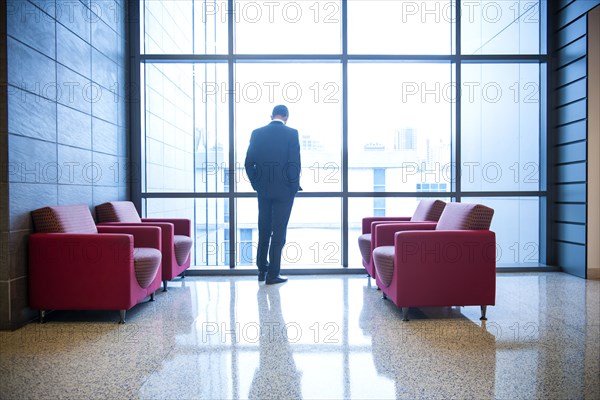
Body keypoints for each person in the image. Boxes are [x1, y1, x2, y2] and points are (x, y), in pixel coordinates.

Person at [244, 105, 301, 285]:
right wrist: (293, 188)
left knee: (264, 229)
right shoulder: (292, 134)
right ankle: (273, 274)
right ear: (287, 117)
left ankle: (262, 269)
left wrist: (257, 184)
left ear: (271, 116)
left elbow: (248, 163)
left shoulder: (257, 133)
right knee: (279, 232)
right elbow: (294, 164)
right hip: (285, 191)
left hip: (264, 190)